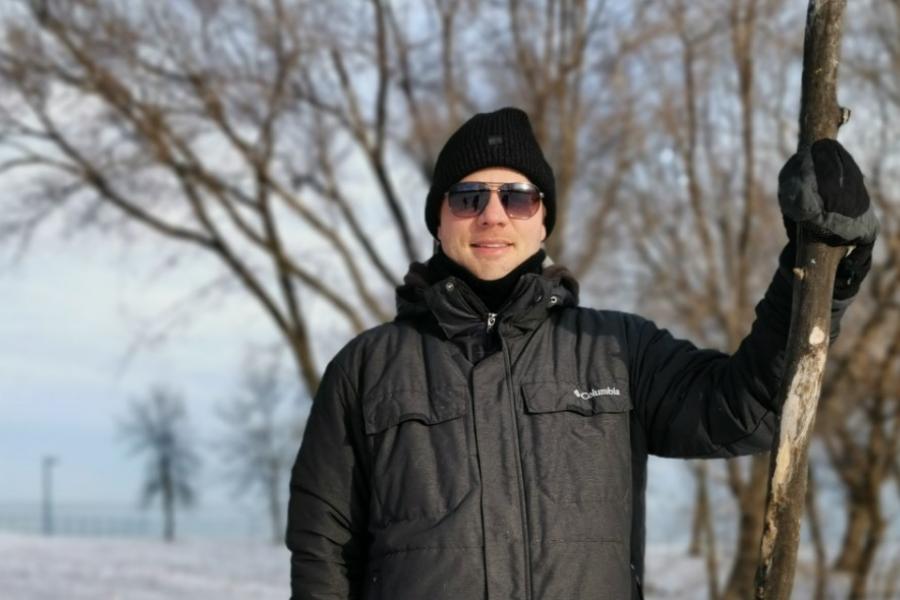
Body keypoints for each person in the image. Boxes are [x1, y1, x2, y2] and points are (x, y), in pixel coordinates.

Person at [286, 107, 878, 599]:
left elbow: (752, 409)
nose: (492, 214)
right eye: (468, 197)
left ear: (543, 219)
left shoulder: (616, 350)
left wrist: (823, 267)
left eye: (517, 197)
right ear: (439, 220)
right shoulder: (366, 370)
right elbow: (322, 551)